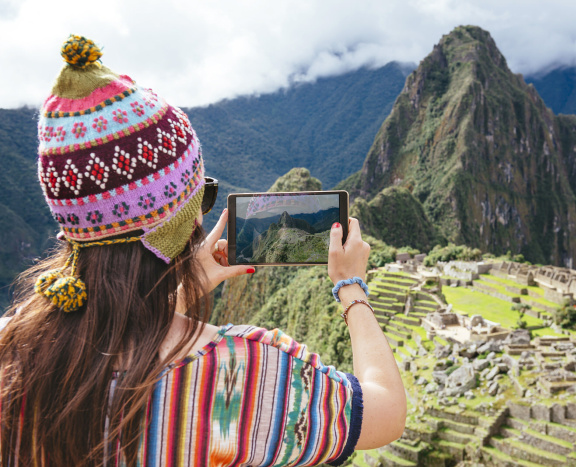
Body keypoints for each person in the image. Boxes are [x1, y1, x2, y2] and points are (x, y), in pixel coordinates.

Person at [0, 36, 406, 466]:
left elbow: (121, 342)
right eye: (202, 199)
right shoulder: (244, 373)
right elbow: (384, 412)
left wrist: (183, 290)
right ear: (185, 224)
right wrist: (351, 289)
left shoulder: (12, 351)